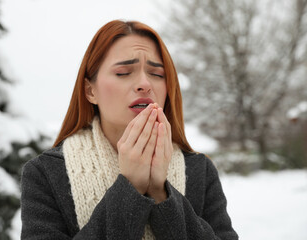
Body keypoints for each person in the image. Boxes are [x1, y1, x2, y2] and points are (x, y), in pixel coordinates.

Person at [20, 20, 238, 240]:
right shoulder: (45, 173)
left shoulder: (200, 170)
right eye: (123, 72)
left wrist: (162, 195)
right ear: (90, 90)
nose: (144, 83)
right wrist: (130, 188)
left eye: (157, 74)